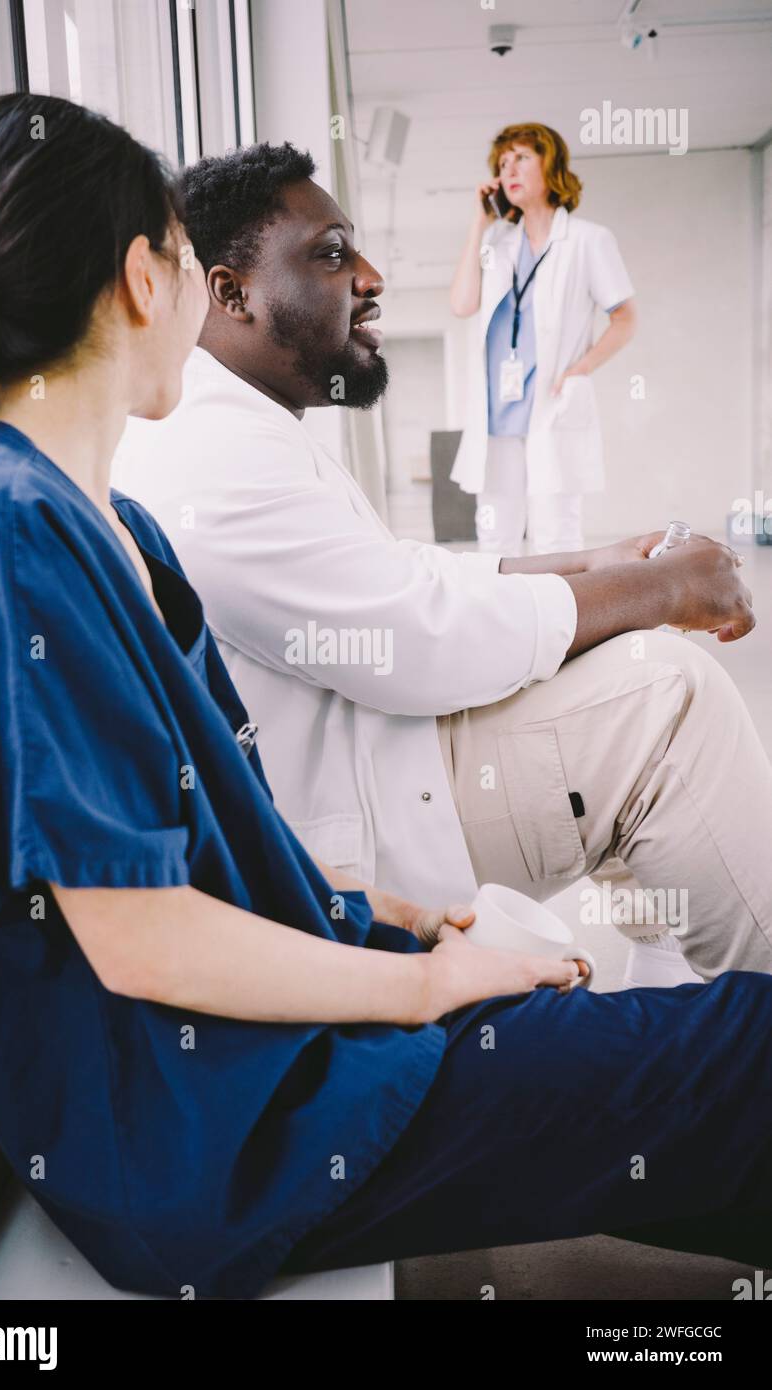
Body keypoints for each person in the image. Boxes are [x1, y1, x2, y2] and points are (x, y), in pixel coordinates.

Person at [0, 98, 772, 1309]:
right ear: (148, 282)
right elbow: (138, 931)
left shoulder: (101, 524)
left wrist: (389, 918)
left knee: (693, 1081)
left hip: (256, 1081)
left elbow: (200, 852)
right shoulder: (4, 528)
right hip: (220, 1137)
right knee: (739, 1054)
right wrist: (423, 989)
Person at [114, 142, 770, 995]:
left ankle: (676, 998)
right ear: (230, 292)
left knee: (612, 677)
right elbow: (407, 641)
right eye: (332, 253)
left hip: (378, 762)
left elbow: (394, 575)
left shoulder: (241, 419)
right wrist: (657, 589)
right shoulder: (208, 439)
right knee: (663, 698)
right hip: (361, 837)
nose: (371, 276)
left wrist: (592, 561)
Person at [449, 122, 636, 552]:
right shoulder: (497, 241)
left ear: (551, 165)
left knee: (557, 535)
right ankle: (501, 618)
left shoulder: (588, 240)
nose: (508, 169)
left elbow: (625, 317)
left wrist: (580, 369)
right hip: (497, 411)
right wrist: (479, 224)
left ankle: (562, 619)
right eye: (502, 162)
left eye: (521, 158)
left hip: (551, 404)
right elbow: (462, 304)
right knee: (495, 535)